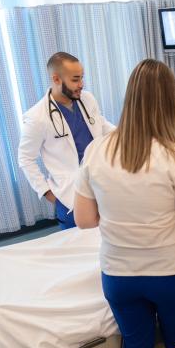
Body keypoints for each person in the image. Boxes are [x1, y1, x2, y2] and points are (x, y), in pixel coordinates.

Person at [73, 59, 175, 348]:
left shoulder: (97, 151)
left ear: (129, 97)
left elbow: (83, 220)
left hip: (119, 275)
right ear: (171, 103)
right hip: (171, 275)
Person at [18, 52, 115, 229]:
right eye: (75, 80)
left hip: (101, 185)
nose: (81, 85)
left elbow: (101, 123)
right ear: (56, 79)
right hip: (70, 195)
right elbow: (25, 159)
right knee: (79, 248)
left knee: (107, 241)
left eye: (82, 78)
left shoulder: (87, 99)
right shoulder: (37, 117)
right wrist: (48, 193)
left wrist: (129, 135)